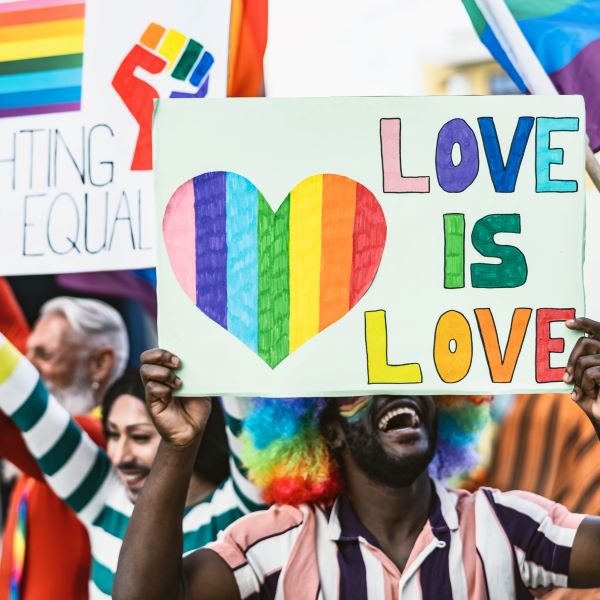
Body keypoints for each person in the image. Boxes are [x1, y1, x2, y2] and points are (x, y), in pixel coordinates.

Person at [114, 317, 600, 599]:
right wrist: (178, 448)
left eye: (414, 373)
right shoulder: (279, 545)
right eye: (362, 385)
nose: (393, 389)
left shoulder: (505, 525)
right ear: (330, 430)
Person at [0, 339, 263, 600]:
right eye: (113, 435)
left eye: (139, 437)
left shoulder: (238, 510)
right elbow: (30, 403)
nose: (119, 456)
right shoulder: (103, 496)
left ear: (193, 427)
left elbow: (249, 421)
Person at [0, 296, 128, 600]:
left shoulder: (107, 442)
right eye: (26, 355)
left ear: (100, 363)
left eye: (44, 355)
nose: (28, 369)